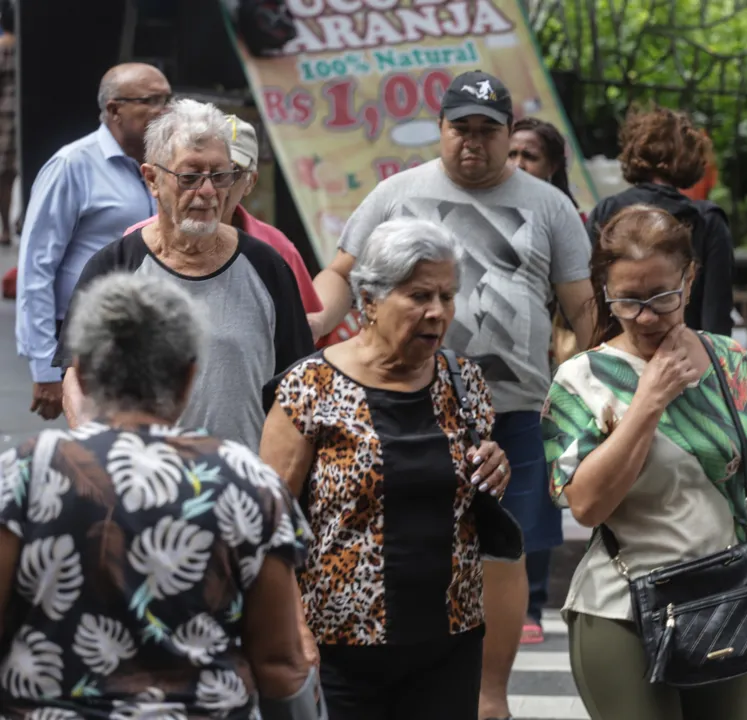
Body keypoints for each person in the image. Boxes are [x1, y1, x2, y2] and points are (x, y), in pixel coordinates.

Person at [306, 70, 594, 720]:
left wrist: (607, 383)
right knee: (399, 536)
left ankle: (490, 697)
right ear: (440, 129)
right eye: (460, 128)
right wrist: (314, 322)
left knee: (501, 548)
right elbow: (340, 272)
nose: (473, 143)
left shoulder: (547, 204)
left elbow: (584, 308)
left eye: (487, 131)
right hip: (404, 399)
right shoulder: (397, 192)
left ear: (508, 134)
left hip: (515, 408)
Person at [0, 272, 317, 717]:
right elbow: (281, 663)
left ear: (85, 375)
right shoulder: (246, 481)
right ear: (188, 377)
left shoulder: (27, 474)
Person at [260, 218, 514, 719]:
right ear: (370, 300)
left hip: (450, 640)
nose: (437, 313)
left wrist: (496, 466)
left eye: (447, 296)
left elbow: (473, 498)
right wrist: (293, 629)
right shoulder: (310, 387)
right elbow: (268, 522)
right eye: (419, 296)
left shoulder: (464, 383)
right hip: (339, 646)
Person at [542, 204, 747, 720]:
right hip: (623, 609)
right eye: (628, 301)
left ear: (689, 281)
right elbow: (585, 505)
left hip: (727, 600)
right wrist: (647, 402)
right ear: (605, 291)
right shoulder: (582, 379)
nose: (646, 316)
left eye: (662, 297)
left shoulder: (729, 362)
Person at [56, 99, 314, 450]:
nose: (208, 192)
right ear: (152, 180)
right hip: (143, 484)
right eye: (190, 176)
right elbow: (76, 375)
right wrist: (99, 453)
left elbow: (300, 384)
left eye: (220, 176)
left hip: (242, 488)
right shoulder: (115, 267)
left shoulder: (267, 266)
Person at [16, 63, 171, 421]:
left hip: (150, 335)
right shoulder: (72, 165)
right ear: (115, 109)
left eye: (168, 98)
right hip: (86, 337)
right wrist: (46, 368)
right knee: (95, 455)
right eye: (151, 100)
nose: (165, 110)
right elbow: (36, 268)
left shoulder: (167, 165)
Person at [125, 114, 323, 315]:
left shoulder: (277, 249)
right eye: (192, 174)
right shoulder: (138, 242)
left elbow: (305, 326)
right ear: (154, 179)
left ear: (250, 182)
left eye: (227, 173)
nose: (210, 188)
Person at [508, 115, 580, 645]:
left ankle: (531, 601)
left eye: (529, 157)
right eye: (511, 155)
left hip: (551, 373)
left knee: (537, 490)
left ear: (553, 168)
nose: (517, 166)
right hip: (493, 374)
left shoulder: (564, 218)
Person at [587, 104, 735, 337]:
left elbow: (590, 294)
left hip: (618, 350)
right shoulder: (707, 220)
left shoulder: (606, 210)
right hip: (686, 354)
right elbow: (716, 309)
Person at [0, 1, 16, 246]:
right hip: (31, 114)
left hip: (5, 117)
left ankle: (5, 229)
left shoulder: (3, 47)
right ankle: (25, 219)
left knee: (5, 176)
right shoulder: (35, 45)